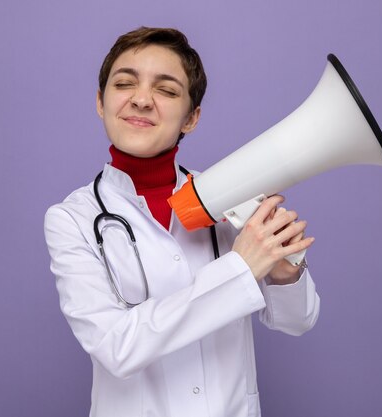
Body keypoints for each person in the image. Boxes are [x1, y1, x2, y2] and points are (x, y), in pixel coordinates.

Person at [44, 26, 320, 417]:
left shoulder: (229, 194)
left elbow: (299, 321)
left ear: (191, 117)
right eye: (124, 84)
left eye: (167, 90)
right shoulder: (71, 218)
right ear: (100, 102)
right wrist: (240, 267)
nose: (141, 100)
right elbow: (116, 348)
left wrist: (283, 271)